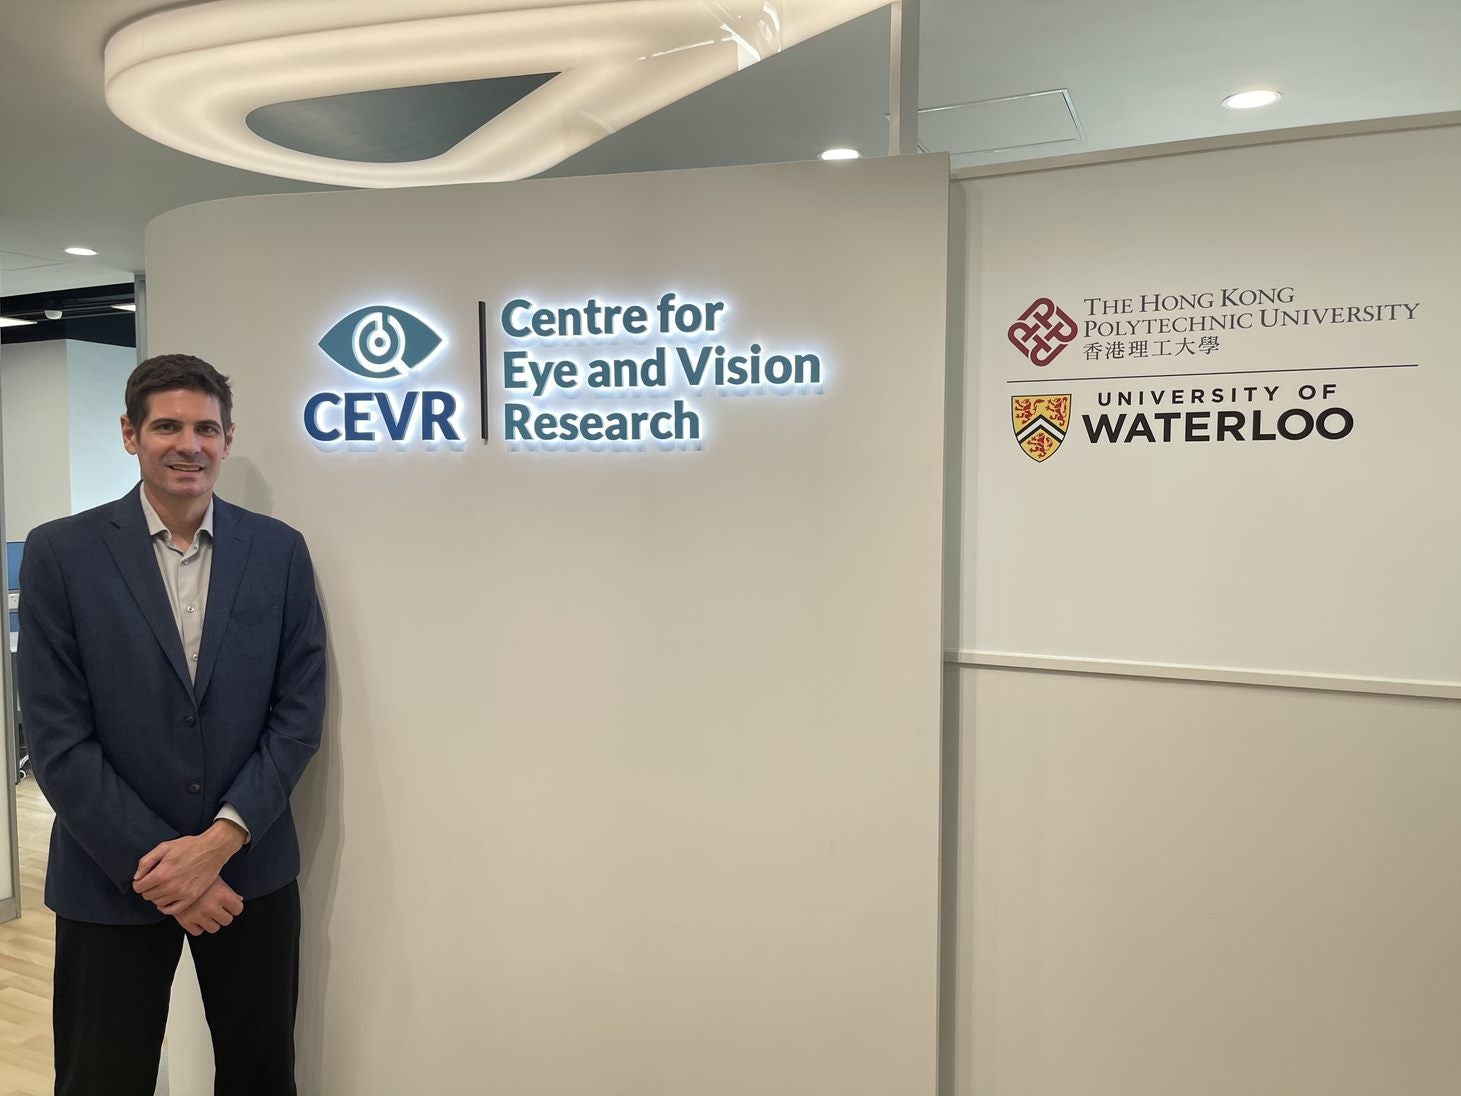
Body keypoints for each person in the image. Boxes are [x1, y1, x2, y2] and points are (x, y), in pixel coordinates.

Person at [17, 353, 326, 1096]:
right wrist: (168, 867)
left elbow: (298, 712)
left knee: (260, 1074)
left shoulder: (277, 550)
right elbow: (58, 738)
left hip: (247, 874)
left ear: (226, 438)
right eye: (166, 427)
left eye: (205, 428)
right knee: (100, 1076)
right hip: (109, 874)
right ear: (130, 434)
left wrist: (218, 843)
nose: (188, 444)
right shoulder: (61, 552)